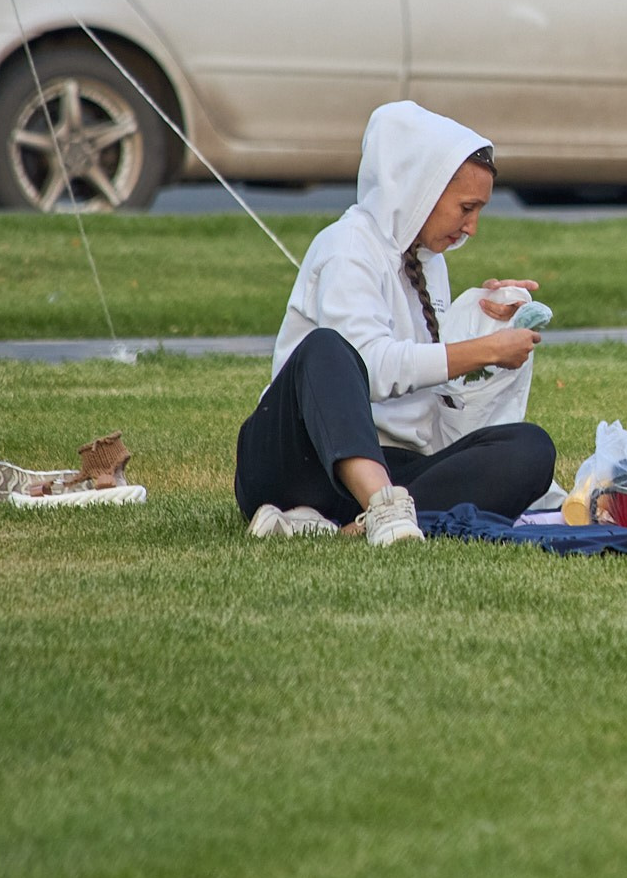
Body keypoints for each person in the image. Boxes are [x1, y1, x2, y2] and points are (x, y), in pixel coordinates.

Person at [235, 102, 556, 546]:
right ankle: (381, 507)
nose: (473, 227)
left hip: (397, 466)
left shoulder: (428, 260)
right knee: (327, 348)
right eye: (466, 207)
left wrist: (479, 320)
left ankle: (346, 527)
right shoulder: (347, 247)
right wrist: (486, 351)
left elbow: (434, 388)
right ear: (418, 189)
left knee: (531, 449)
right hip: (299, 462)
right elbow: (372, 366)